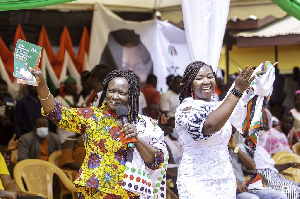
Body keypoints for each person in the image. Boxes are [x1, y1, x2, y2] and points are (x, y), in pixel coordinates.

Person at [31, 68, 168, 198]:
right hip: (94, 191)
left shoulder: (144, 124)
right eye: (111, 91)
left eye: (122, 93)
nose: (115, 97)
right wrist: (41, 84)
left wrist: (136, 138)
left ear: (131, 95)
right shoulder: (92, 116)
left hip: (128, 192)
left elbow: (156, 162)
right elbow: (55, 112)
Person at [175, 61, 255, 198]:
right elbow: (209, 127)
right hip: (197, 181)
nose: (206, 81)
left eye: (210, 77)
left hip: (225, 180)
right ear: (190, 85)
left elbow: (241, 118)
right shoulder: (186, 108)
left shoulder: (219, 105)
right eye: (199, 78)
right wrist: (236, 91)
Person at [229, 131, 287, 199]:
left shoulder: (235, 149)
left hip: (245, 187)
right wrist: (234, 183)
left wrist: (234, 148)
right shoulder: (216, 153)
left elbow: (252, 166)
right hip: (230, 189)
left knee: (281, 195)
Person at [0, 79, 15, 154]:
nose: (2, 92)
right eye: (0, 90)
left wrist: (10, 122)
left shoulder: (12, 102)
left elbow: (16, 120)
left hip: (7, 141)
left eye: (4, 90)